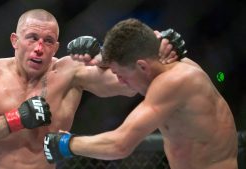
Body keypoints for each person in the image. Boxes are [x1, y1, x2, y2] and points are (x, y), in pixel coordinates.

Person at [0, 9, 183, 169]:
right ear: (14, 40)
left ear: (56, 47)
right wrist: (14, 119)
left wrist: (155, 47)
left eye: (48, 41)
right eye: (32, 38)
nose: (39, 48)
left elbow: (128, 84)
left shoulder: (71, 72)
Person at [44, 18, 238, 169]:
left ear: (142, 66)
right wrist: (99, 57)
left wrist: (64, 143)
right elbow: (140, 41)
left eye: (121, 75)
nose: (119, 82)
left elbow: (119, 145)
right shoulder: (160, 67)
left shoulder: (176, 81)